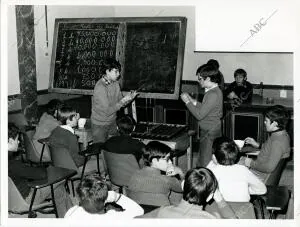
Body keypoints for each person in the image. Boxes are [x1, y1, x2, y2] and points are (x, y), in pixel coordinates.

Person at [8, 123, 73, 218]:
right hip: (26, 199)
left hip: (9, 200)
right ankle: (71, 217)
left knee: (58, 190)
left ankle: (69, 216)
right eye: (17, 139)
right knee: (60, 179)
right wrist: (42, 167)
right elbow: (42, 174)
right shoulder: (13, 164)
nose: (18, 142)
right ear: (10, 141)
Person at [137, 167, 237, 219]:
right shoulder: (212, 220)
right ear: (210, 196)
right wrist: (220, 200)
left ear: (183, 184)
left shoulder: (162, 211)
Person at [181, 63, 223, 167]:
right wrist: (193, 101)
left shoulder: (212, 94)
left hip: (210, 132)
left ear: (208, 79)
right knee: (206, 157)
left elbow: (199, 115)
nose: (199, 81)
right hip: (211, 129)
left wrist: (187, 102)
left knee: (205, 162)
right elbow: (206, 107)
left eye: (200, 79)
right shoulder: (214, 91)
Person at [91, 58, 138, 143]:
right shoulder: (100, 87)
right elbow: (107, 111)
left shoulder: (116, 84)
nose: (119, 74)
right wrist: (122, 101)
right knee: (100, 152)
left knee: (113, 148)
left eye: (119, 71)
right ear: (107, 71)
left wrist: (130, 98)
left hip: (112, 122)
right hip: (99, 125)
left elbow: (121, 103)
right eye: (116, 71)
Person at [49, 106, 105, 176]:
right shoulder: (70, 136)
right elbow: (78, 162)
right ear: (69, 120)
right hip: (72, 170)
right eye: (75, 117)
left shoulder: (54, 131)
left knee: (92, 157)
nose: (77, 119)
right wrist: (87, 157)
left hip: (58, 167)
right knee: (102, 163)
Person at [207, 137, 266, 202]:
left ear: (214, 157)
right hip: (246, 210)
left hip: (222, 209)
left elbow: (206, 195)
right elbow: (262, 190)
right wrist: (244, 189)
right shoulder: (243, 170)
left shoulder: (213, 171)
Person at [242, 105, 290, 181]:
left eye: (266, 121)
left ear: (274, 123)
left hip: (261, 175)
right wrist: (257, 144)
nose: (264, 122)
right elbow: (270, 148)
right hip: (259, 167)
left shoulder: (277, 142)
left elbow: (268, 168)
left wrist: (250, 163)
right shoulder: (282, 134)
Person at [128, 141, 184, 206]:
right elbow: (184, 188)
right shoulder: (167, 179)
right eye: (167, 159)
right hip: (160, 212)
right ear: (154, 160)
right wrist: (180, 173)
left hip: (138, 209)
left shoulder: (135, 174)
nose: (170, 162)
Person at [64, 174, 144, 219]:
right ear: (106, 199)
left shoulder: (71, 212)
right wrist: (117, 197)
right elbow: (139, 211)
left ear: (79, 197)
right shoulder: (113, 218)